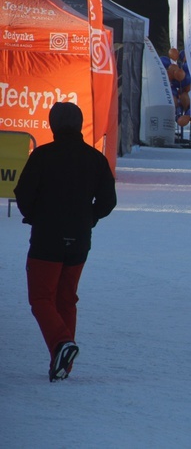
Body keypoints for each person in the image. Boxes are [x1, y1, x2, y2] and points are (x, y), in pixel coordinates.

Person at [14, 102, 117, 382]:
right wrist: (89, 217)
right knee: (66, 299)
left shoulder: (43, 155)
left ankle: (62, 344)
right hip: (80, 240)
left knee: (41, 298)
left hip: (47, 239)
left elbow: (23, 195)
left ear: (53, 124)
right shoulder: (95, 159)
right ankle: (62, 364)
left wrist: (36, 216)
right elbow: (108, 201)